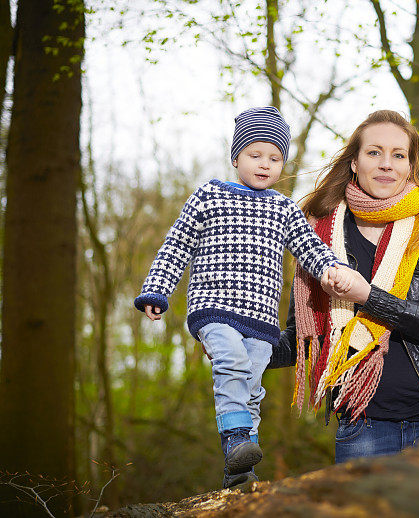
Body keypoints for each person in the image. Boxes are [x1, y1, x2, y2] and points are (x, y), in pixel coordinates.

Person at [133, 106, 354, 488]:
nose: (265, 164)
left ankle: (241, 471)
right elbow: (176, 244)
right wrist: (157, 289)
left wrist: (331, 268)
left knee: (252, 385)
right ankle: (235, 438)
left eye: (275, 157)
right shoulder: (209, 196)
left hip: (262, 319)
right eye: (255, 155)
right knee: (232, 364)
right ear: (236, 156)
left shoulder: (283, 207)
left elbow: (308, 246)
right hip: (213, 307)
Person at [269, 109, 419, 463]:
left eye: (398, 155)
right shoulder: (314, 234)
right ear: (354, 162)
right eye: (374, 152)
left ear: (410, 166)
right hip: (362, 425)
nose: (386, 164)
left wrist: (368, 297)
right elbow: (303, 336)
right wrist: (244, 347)